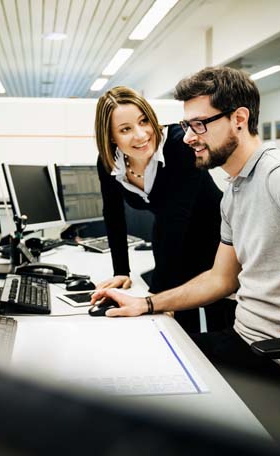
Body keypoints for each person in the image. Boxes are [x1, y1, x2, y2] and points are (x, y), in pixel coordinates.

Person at [91, 68, 280, 385]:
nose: (189, 137)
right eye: (186, 125)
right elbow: (220, 279)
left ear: (238, 119)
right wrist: (147, 303)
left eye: (199, 125)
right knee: (131, 359)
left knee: (140, 380)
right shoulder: (236, 189)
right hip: (242, 342)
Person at [93, 86, 234, 334]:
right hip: (168, 236)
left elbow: (176, 218)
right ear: (111, 136)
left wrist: (153, 298)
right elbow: (113, 215)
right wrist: (121, 271)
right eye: (125, 129)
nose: (140, 135)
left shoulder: (179, 145)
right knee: (177, 322)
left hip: (215, 234)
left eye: (144, 121)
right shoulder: (109, 162)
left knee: (218, 315)